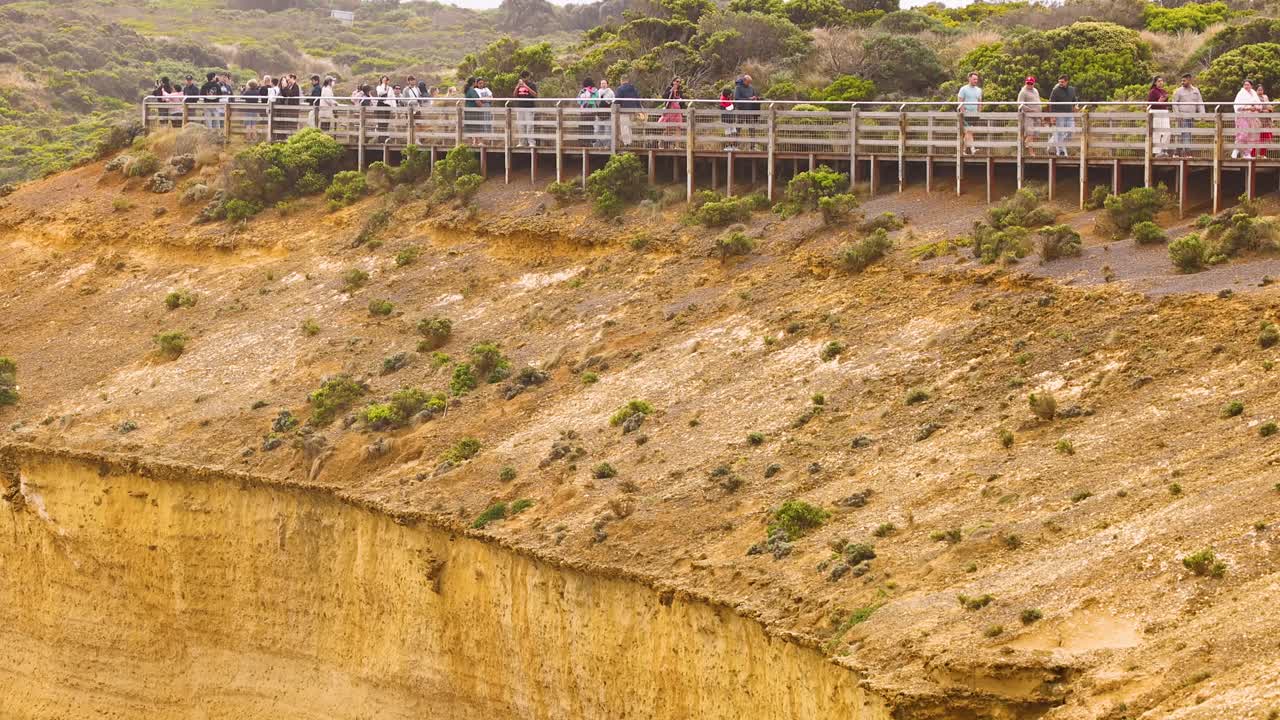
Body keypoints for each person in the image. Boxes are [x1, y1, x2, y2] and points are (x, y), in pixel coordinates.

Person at [1172, 73, 1205, 158]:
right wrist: (1177, 114)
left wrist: (1202, 115)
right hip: (1182, 116)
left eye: (1184, 80)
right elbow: (1174, 103)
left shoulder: (1195, 90)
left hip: (1191, 116)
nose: (1182, 82)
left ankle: (1178, 152)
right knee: (1183, 134)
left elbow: (1200, 103)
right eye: (1181, 81)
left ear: (1189, 80)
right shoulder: (1178, 91)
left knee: (1188, 134)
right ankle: (1186, 152)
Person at [1048, 75, 1078, 157]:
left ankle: (1052, 142)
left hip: (1069, 114)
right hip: (1059, 115)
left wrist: (1076, 106)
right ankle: (1061, 152)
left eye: (1062, 82)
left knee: (1071, 131)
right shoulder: (1055, 90)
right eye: (1059, 82)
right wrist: (1052, 116)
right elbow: (1051, 104)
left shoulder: (1072, 89)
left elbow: (1074, 100)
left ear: (1066, 81)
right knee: (1060, 133)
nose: (1060, 83)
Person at [1233, 79, 1261, 158]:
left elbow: (1259, 105)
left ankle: (1247, 153)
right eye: (1245, 85)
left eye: (1248, 85)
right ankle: (1236, 149)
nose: (1246, 86)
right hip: (1242, 116)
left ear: (1251, 86)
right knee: (1243, 133)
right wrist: (1248, 108)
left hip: (1252, 117)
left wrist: (1256, 108)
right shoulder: (1241, 93)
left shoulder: (1254, 93)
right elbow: (1237, 106)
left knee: (1251, 135)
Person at [733, 74, 762, 150]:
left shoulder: (751, 88)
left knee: (752, 128)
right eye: (748, 82)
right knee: (738, 128)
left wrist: (756, 98)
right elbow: (736, 98)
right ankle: (735, 146)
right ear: (744, 80)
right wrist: (748, 99)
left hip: (750, 110)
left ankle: (753, 147)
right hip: (741, 110)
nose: (749, 83)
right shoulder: (738, 88)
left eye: (750, 82)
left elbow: (753, 96)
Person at [957, 72, 983, 155]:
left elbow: (980, 102)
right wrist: (963, 112)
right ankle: (973, 149)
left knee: (969, 132)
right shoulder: (963, 89)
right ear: (969, 79)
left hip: (974, 114)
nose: (976, 81)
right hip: (965, 114)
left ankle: (963, 150)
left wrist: (979, 112)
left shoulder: (979, 90)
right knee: (969, 131)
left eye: (976, 79)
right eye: (974, 79)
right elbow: (960, 101)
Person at [1016, 76, 1042, 156]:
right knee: (1030, 133)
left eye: (1031, 83)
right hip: (1028, 116)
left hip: (1037, 115)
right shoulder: (1023, 92)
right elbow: (1020, 104)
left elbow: (1038, 101)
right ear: (1025, 83)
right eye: (1028, 83)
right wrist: (1029, 109)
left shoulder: (1035, 90)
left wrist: (1040, 113)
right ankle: (1031, 152)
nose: (1029, 84)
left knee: (1036, 134)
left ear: (1034, 83)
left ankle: (1026, 147)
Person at [513, 70, 538, 147]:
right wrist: (517, 86)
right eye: (522, 77)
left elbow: (535, 95)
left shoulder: (532, 85)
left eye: (525, 77)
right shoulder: (519, 85)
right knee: (521, 126)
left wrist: (525, 86)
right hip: (520, 107)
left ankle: (531, 142)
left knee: (529, 125)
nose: (524, 79)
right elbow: (514, 95)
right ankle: (522, 142)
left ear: (528, 77)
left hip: (529, 107)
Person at [614, 75, 641, 147]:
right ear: (628, 80)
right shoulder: (634, 89)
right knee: (629, 127)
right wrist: (639, 109)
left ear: (621, 80)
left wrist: (613, 105)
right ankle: (630, 141)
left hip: (624, 110)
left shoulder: (620, 89)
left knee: (624, 127)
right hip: (633, 110)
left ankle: (627, 143)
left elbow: (617, 100)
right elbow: (638, 99)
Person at [1148, 76, 1171, 158]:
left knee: (1167, 131)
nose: (1161, 82)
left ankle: (1164, 149)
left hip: (1164, 112)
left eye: (1162, 81)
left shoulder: (1164, 91)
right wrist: (1158, 101)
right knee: (1157, 132)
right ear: (1155, 83)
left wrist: (1165, 99)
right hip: (1156, 112)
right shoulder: (1153, 91)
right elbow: (1150, 104)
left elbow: (1165, 102)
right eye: (1159, 81)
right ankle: (1156, 151)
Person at [660, 77, 685, 147]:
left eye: (679, 82)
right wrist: (671, 91)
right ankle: (661, 143)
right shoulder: (669, 88)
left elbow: (683, 101)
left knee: (678, 128)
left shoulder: (680, 91)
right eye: (677, 81)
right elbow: (664, 96)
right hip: (670, 110)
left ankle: (677, 146)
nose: (678, 83)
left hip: (678, 111)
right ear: (673, 82)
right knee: (668, 128)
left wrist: (681, 100)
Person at [577, 77, 599, 146]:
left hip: (583, 111)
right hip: (592, 111)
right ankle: (591, 141)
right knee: (591, 126)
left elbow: (578, 100)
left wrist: (584, 102)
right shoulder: (595, 90)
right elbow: (596, 99)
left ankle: (584, 141)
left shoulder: (582, 91)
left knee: (583, 125)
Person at [597, 78, 615, 147]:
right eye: (602, 83)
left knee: (607, 129)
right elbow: (596, 101)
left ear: (607, 84)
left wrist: (609, 103)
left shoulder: (610, 92)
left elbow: (614, 100)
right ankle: (600, 144)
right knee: (599, 129)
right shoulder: (598, 92)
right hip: (599, 113)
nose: (603, 85)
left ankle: (607, 145)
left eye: (604, 83)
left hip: (607, 113)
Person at [1257, 81, 1272, 158]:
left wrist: (1268, 110)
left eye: (1261, 90)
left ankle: (1262, 154)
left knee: (1265, 137)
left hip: (1266, 120)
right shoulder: (1254, 97)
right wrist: (1262, 110)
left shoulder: (1265, 97)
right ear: (1256, 91)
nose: (1260, 91)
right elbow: (1255, 108)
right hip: (1258, 120)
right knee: (1257, 137)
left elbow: (1270, 107)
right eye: (1259, 90)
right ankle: (1253, 155)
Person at [719, 86, 736, 151]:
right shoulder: (723, 100)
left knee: (733, 132)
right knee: (728, 132)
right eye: (730, 94)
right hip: (726, 119)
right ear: (727, 95)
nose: (731, 95)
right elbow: (727, 108)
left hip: (731, 119)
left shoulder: (729, 99)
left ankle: (732, 146)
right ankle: (728, 146)